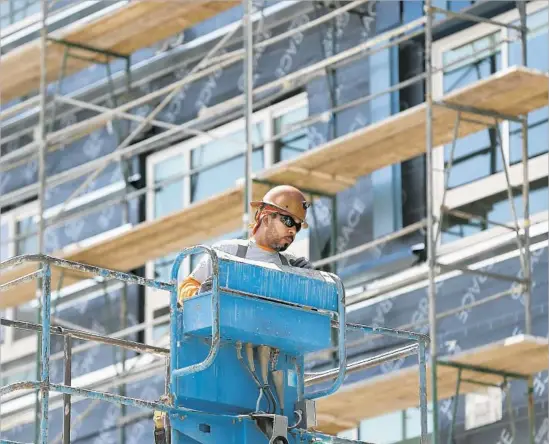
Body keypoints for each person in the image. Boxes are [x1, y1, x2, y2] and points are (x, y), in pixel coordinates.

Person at [177, 185, 314, 304]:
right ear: (266, 218)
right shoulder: (227, 252)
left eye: (298, 226)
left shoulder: (291, 264)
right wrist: (199, 295)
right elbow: (185, 288)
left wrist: (309, 283)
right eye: (288, 221)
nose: (293, 230)